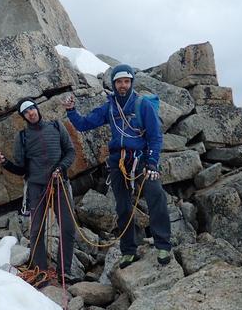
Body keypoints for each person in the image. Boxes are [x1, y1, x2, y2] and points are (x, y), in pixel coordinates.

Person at [61, 64, 172, 268]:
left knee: (156, 195)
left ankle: (163, 245)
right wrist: (71, 111)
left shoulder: (142, 105)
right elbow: (84, 124)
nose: (123, 85)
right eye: (119, 82)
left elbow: (155, 137)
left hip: (141, 160)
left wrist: (153, 163)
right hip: (118, 162)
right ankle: (128, 251)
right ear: (114, 84)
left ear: (131, 83)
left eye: (126, 81)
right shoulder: (110, 108)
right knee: (122, 206)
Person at [0, 98, 76, 280]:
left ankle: (64, 272)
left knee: (67, 227)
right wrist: (4, 163)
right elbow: (21, 169)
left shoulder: (56, 126)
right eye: (26, 112)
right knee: (37, 230)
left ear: (37, 108)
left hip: (59, 184)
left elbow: (70, 151)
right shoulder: (22, 138)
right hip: (36, 188)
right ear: (24, 117)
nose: (31, 112)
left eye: (32, 108)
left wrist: (60, 167)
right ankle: (41, 270)